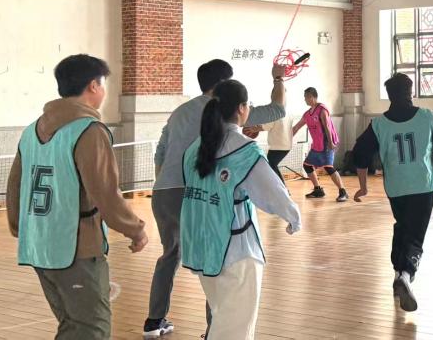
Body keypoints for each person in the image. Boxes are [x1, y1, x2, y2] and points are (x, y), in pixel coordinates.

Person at [6, 54, 149, 340]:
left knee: (72, 325)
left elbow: (15, 187)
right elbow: (106, 193)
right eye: (103, 84)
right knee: (92, 328)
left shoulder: (31, 131)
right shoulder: (89, 131)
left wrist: (20, 228)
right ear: (93, 86)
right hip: (76, 248)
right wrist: (135, 229)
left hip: (38, 244)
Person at [145, 60, 286, 338]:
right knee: (216, 255)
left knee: (170, 255)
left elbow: (160, 152)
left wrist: (168, 185)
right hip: (198, 193)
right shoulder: (225, 110)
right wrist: (279, 79)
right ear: (224, 85)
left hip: (163, 193)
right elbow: (277, 110)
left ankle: (154, 320)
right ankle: (216, 328)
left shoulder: (180, 111)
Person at [180, 80, 301, 339]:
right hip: (236, 253)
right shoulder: (244, 149)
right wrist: (293, 216)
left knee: (223, 319)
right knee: (234, 330)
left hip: (203, 249)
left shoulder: (194, 148)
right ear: (242, 108)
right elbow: (272, 192)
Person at [351, 73, 433, 312]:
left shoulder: (379, 124)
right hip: (423, 184)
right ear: (410, 91)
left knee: (403, 226)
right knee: (415, 235)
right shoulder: (428, 116)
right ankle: (406, 274)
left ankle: (398, 273)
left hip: (396, 188)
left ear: (389, 95)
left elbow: (359, 155)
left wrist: (363, 186)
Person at [291, 87, 348, 202]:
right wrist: (286, 139)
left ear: (312, 97)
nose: (305, 99)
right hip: (317, 145)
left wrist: (331, 143)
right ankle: (318, 190)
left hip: (327, 143)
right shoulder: (307, 114)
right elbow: (296, 127)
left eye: (306, 97)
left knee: (328, 167)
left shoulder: (322, 109)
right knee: (307, 165)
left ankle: (343, 192)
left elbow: (327, 127)